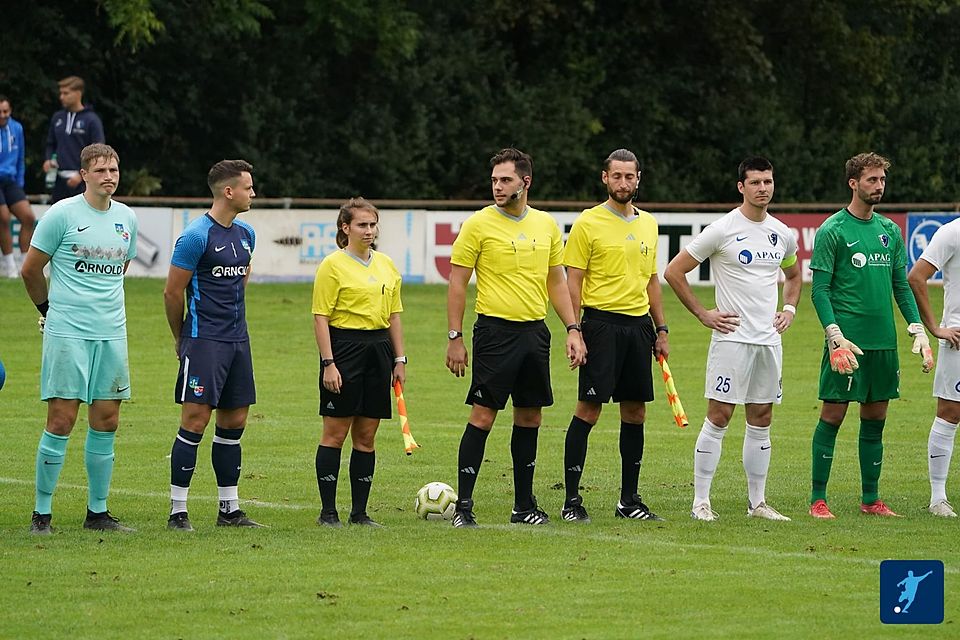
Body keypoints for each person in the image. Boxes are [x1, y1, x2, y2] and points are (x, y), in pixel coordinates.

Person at [446, 147, 587, 528]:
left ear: (525, 182)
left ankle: (523, 506)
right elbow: (458, 282)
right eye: (493, 180)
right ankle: (464, 507)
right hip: (494, 332)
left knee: (530, 416)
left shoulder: (546, 225)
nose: (497, 186)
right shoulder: (478, 224)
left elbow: (556, 281)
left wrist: (572, 329)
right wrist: (455, 337)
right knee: (483, 415)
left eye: (505, 180)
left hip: (534, 333)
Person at [664, 156, 801, 522]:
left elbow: (794, 276)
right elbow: (675, 271)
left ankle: (758, 503)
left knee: (762, 416)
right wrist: (703, 314)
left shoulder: (782, 233)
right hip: (732, 340)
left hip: (769, 342)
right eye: (755, 182)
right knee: (720, 415)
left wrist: (788, 311)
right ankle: (701, 502)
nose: (763, 188)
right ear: (741, 186)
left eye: (768, 182)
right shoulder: (722, 229)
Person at [807, 152, 933, 519]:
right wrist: (834, 336)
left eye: (882, 180)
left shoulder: (890, 231)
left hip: (883, 344)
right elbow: (820, 290)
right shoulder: (833, 230)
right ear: (853, 183)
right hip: (847, 345)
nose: (879, 186)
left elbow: (901, 285)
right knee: (832, 415)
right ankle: (818, 499)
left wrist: (917, 328)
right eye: (872, 180)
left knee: (875, 419)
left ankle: (871, 500)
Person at [21, 143, 137, 534]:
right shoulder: (62, 214)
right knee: (61, 418)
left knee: (107, 420)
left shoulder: (126, 219)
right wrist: (47, 310)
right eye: (101, 169)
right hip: (68, 331)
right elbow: (31, 270)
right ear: (84, 174)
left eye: (114, 169)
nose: (109, 176)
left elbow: (119, 269)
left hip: (112, 332)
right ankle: (42, 514)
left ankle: (98, 513)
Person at [560, 148, 668, 524]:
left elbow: (652, 280)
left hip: (638, 327)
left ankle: (629, 500)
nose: (624, 182)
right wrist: (575, 329)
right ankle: (571, 500)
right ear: (605, 178)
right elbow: (572, 280)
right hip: (600, 325)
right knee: (588, 410)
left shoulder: (649, 224)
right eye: (617, 176)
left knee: (635, 412)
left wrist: (661, 329)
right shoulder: (588, 223)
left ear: (639, 179)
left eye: (630, 176)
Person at [162, 159, 262, 531]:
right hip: (204, 342)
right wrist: (182, 338)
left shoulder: (247, 234)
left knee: (234, 421)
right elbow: (173, 293)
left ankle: (229, 509)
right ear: (228, 191)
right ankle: (178, 511)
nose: (253, 193)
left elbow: (242, 280)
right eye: (249, 187)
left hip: (238, 341)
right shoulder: (195, 236)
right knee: (195, 420)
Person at [311, 198, 406, 528]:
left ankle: (360, 513)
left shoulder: (386, 265)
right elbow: (321, 317)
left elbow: (394, 315)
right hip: (344, 348)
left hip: (378, 351)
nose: (369, 230)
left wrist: (399, 358)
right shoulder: (332, 265)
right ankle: (328, 512)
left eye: (373, 224)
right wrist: (329, 363)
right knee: (335, 434)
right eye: (362, 225)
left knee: (366, 436)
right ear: (345, 228)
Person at [907, 220, 960, 517]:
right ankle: (937, 497)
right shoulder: (952, 232)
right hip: (958, 339)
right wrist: (935, 327)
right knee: (950, 413)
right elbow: (917, 277)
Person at [43, 76, 105, 203]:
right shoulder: (57, 117)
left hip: (81, 181)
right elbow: (50, 144)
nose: (61, 97)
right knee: (59, 220)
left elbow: (98, 152)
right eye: (60, 93)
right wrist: (48, 160)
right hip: (58, 180)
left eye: (66, 93)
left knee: (81, 221)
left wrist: (81, 175)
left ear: (78, 94)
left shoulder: (91, 120)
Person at [0, 95, 36, 277]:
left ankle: (25, 263)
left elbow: (20, 157)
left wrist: (20, 183)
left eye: (5, 111)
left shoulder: (17, 128)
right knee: (3, 218)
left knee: (28, 217)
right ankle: (9, 267)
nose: (3, 115)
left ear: (10, 110)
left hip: (11, 181)